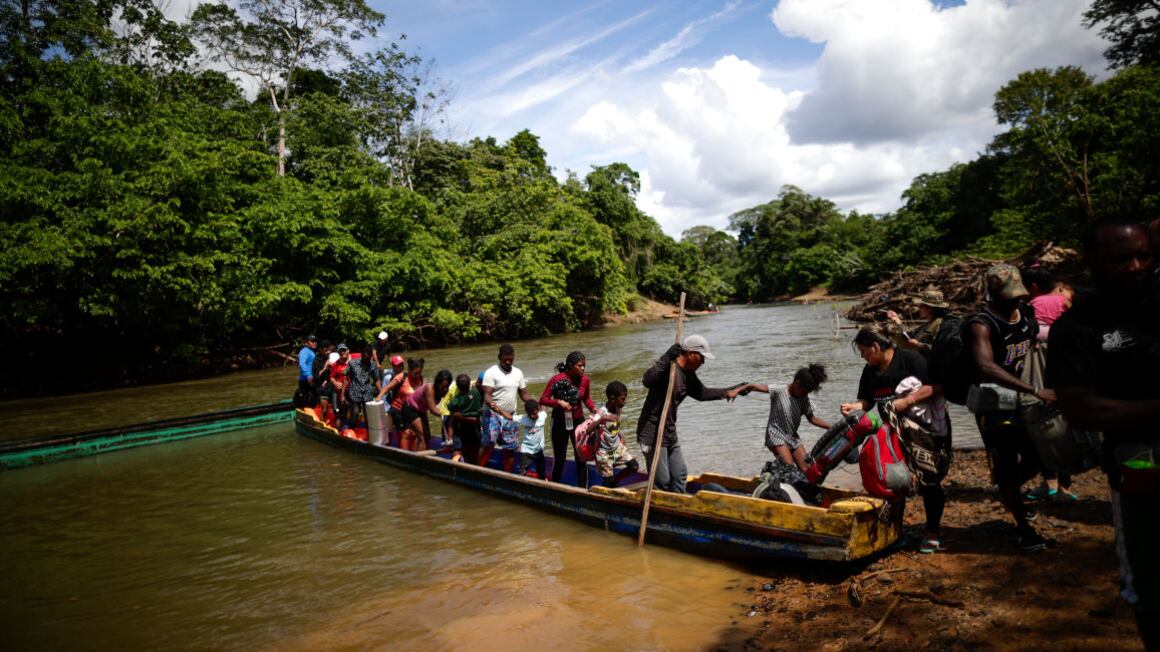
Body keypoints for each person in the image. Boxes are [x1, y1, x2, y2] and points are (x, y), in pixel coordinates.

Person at [1047, 217, 1158, 649]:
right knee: (1150, 586)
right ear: (1091, 261)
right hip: (1140, 464)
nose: (1135, 266)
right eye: (1122, 258)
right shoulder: (1078, 327)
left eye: (1143, 256)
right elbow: (1079, 408)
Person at [965, 263, 1056, 552]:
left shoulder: (1026, 315)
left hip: (1023, 398)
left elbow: (1033, 346)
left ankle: (1008, 489)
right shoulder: (982, 323)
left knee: (1040, 457)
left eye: (1018, 294)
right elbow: (984, 366)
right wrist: (1033, 389)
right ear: (994, 294)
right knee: (1006, 462)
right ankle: (1023, 529)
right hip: (994, 403)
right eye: (1009, 295)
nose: (1015, 299)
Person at [839, 324, 950, 553]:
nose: (863, 357)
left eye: (864, 352)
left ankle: (932, 531)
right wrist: (855, 406)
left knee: (929, 481)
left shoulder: (911, 360)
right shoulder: (870, 372)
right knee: (892, 480)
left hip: (923, 431)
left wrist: (907, 401)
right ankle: (894, 531)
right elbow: (867, 401)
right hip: (891, 434)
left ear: (876, 346)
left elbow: (938, 386)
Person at [636, 334, 737, 494]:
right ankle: (662, 513)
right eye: (701, 358)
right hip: (653, 432)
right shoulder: (668, 367)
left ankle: (679, 507)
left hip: (669, 431)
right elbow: (647, 380)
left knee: (680, 476)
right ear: (691, 354)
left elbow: (702, 393)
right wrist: (666, 356)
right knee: (662, 481)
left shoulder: (688, 375)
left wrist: (732, 390)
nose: (703, 363)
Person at [725, 364, 831, 485]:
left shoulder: (804, 398)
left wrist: (832, 427)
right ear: (797, 382)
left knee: (809, 470)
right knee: (790, 470)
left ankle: (801, 490)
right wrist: (736, 391)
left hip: (792, 437)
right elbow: (753, 386)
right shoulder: (780, 390)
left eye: (808, 392)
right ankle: (773, 483)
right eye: (804, 390)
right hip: (775, 435)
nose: (805, 394)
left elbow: (812, 419)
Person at [1024, 278, 1079, 503]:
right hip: (1064, 357)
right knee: (1064, 420)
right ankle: (1063, 485)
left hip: (1037, 356)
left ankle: (1051, 483)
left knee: (1041, 421)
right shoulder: (1064, 302)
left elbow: (1027, 329)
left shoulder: (1032, 304)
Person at [539, 351, 597, 487]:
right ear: (570, 366)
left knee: (581, 458)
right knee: (560, 458)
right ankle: (555, 487)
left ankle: (583, 490)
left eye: (584, 365)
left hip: (578, 423)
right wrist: (559, 402)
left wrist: (594, 409)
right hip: (559, 422)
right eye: (580, 365)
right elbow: (543, 399)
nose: (583, 368)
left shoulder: (585, 380)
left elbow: (587, 398)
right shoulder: (557, 379)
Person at [480, 344, 533, 470]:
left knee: (510, 447)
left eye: (511, 359)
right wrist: (492, 404)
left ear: (514, 357)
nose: (508, 362)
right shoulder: (491, 372)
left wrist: (535, 405)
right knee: (489, 443)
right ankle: (478, 469)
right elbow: (487, 394)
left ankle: (507, 474)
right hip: (492, 413)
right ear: (499, 357)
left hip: (510, 415)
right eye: (505, 359)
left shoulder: (518, 373)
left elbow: (524, 394)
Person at [592, 381, 639, 487]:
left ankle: (615, 482)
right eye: (623, 399)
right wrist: (603, 418)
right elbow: (588, 430)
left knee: (634, 466)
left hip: (616, 448)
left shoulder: (618, 409)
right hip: (603, 452)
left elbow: (615, 427)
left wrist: (621, 437)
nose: (625, 401)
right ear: (612, 398)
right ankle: (607, 489)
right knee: (607, 481)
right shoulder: (602, 412)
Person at [885, 289, 951, 354]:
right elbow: (911, 335)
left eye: (922, 306)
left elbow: (940, 349)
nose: (919, 308)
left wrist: (918, 345)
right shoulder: (930, 323)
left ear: (930, 308)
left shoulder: (939, 324)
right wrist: (898, 321)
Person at [403, 369, 452, 451]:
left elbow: (450, 404)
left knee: (427, 436)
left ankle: (415, 453)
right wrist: (448, 414)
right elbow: (433, 410)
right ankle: (418, 460)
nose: (445, 389)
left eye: (447, 387)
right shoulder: (429, 388)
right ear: (437, 383)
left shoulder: (444, 391)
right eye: (443, 387)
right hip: (410, 408)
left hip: (421, 411)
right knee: (423, 437)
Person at [448, 372, 485, 465]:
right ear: (469, 384)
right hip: (474, 428)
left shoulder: (456, 399)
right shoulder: (476, 393)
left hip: (460, 428)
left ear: (457, 386)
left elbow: (450, 407)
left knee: (457, 450)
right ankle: (474, 467)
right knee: (474, 449)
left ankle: (456, 466)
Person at [345, 343, 380, 431]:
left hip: (367, 391)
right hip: (354, 391)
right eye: (364, 358)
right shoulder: (352, 363)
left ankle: (370, 432)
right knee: (355, 412)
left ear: (371, 357)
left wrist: (381, 392)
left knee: (368, 413)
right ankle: (351, 430)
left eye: (368, 358)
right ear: (362, 355)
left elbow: (376, 379)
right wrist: (342, 394)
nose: (366, 360)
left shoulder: (372, 364)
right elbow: (346, 376)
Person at [518, 398, 548, 479]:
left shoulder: (542, 416)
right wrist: (500, 411)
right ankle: (520, 484)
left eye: (534, 413)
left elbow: (544, 407)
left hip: (538, 450)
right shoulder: (524, 418)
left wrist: (541, 401)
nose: (532, 416)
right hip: (527, 451)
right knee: (523, 471)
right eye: (530, 414)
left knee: (541, 472)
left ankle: (542, 482)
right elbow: (511, 417)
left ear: (538, 409)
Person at [311, 340, 336, 426]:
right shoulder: (316, 361)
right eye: (326, 350)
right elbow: (316, 378)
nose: (328, 352)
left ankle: (337, 424)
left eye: (329, 350)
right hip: (322, 388)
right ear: (321, 350)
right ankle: (322, 424)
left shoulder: (332, 358)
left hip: (332, 385)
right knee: (324, 409)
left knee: (336, 408)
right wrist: (325, 368)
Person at [330, 343, 352, 428]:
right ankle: (338, 431)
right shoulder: (336, 364)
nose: (342, 352)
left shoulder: (353, 362)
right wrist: (335, 383)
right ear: (338, 353)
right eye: (340, 351)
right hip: (338, 392)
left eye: (344, 350)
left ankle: (350, 429)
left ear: (348, 350)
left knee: (351, 410)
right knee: (338, 413)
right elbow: (331, 377)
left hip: (350, 391)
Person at [297, 335, 318, 403]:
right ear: (306, 343)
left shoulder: (311, 351)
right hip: (306, 380)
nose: (314, 342)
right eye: (312, 341)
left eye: (315, 341)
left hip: (312, 379)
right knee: (307, 400)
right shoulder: (304, 351)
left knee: (314, 399)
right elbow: (302, 364)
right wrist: (308, 375)